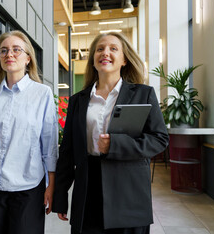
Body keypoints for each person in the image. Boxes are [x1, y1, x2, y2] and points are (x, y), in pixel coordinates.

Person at [52, 32, 169, 234]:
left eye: (113, 48)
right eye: (100, 49)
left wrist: (115, 145)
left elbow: (159, 139)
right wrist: (60, 197)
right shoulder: (77, 101)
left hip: (129, 194)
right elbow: (67, 152)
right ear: (93, 61)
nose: (105, 52)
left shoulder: (143, 94)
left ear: (124, 59)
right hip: (87, 191)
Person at [0, 30, 58, 234]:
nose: (9, 54)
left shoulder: (42, 94)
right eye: (3, 50)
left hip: (28, 189)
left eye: (16, 49)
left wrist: (51, 185)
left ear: (28, 58)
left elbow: (49, 145)